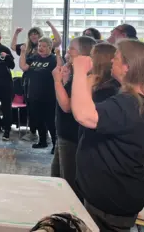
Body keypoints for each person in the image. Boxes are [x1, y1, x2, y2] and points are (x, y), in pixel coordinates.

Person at [72, 39, 144, 231]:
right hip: (110, 196)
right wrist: (88, 81)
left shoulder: (130, 104)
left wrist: (79, 71)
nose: (112, 61)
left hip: (112, 200)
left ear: (128, 67)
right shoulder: (142, 100)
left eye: (117, 58)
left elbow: (83, 115)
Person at [51, 36, 96, 201]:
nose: (67, 52)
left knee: (68, 185)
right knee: (56, 177)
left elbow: (67, 106)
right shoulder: (75, 73)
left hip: (72, 136)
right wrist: (64, 81)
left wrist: (57, 82)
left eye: (71, 49)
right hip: (63, 134)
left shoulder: (85, 77)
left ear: (84, 54)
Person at [11, 21, 61, 142]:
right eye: (32, 34)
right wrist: (16, 33)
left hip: (47, 89)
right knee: (33, 112)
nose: (34, 37)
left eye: (36, 34)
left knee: (48, 116)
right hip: (30, 85)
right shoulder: (29, 50)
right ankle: (36, 134)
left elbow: (58, 41)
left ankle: (50, 139)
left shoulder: (50, 52)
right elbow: (14, 48)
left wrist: (51, 25)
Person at [19, 37, 63, 153]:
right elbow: (23, 67)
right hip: (34, 95)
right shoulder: (34, 58)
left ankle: (55, 145)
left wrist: (58, 54)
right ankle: (42, 141)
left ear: (50, 47)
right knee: (38, 120)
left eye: (43, 46)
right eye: (39, 46)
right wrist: (23, 52)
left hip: (49, 96)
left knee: (50, 122)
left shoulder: (53, 59)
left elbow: (60, 68)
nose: (41, 48)